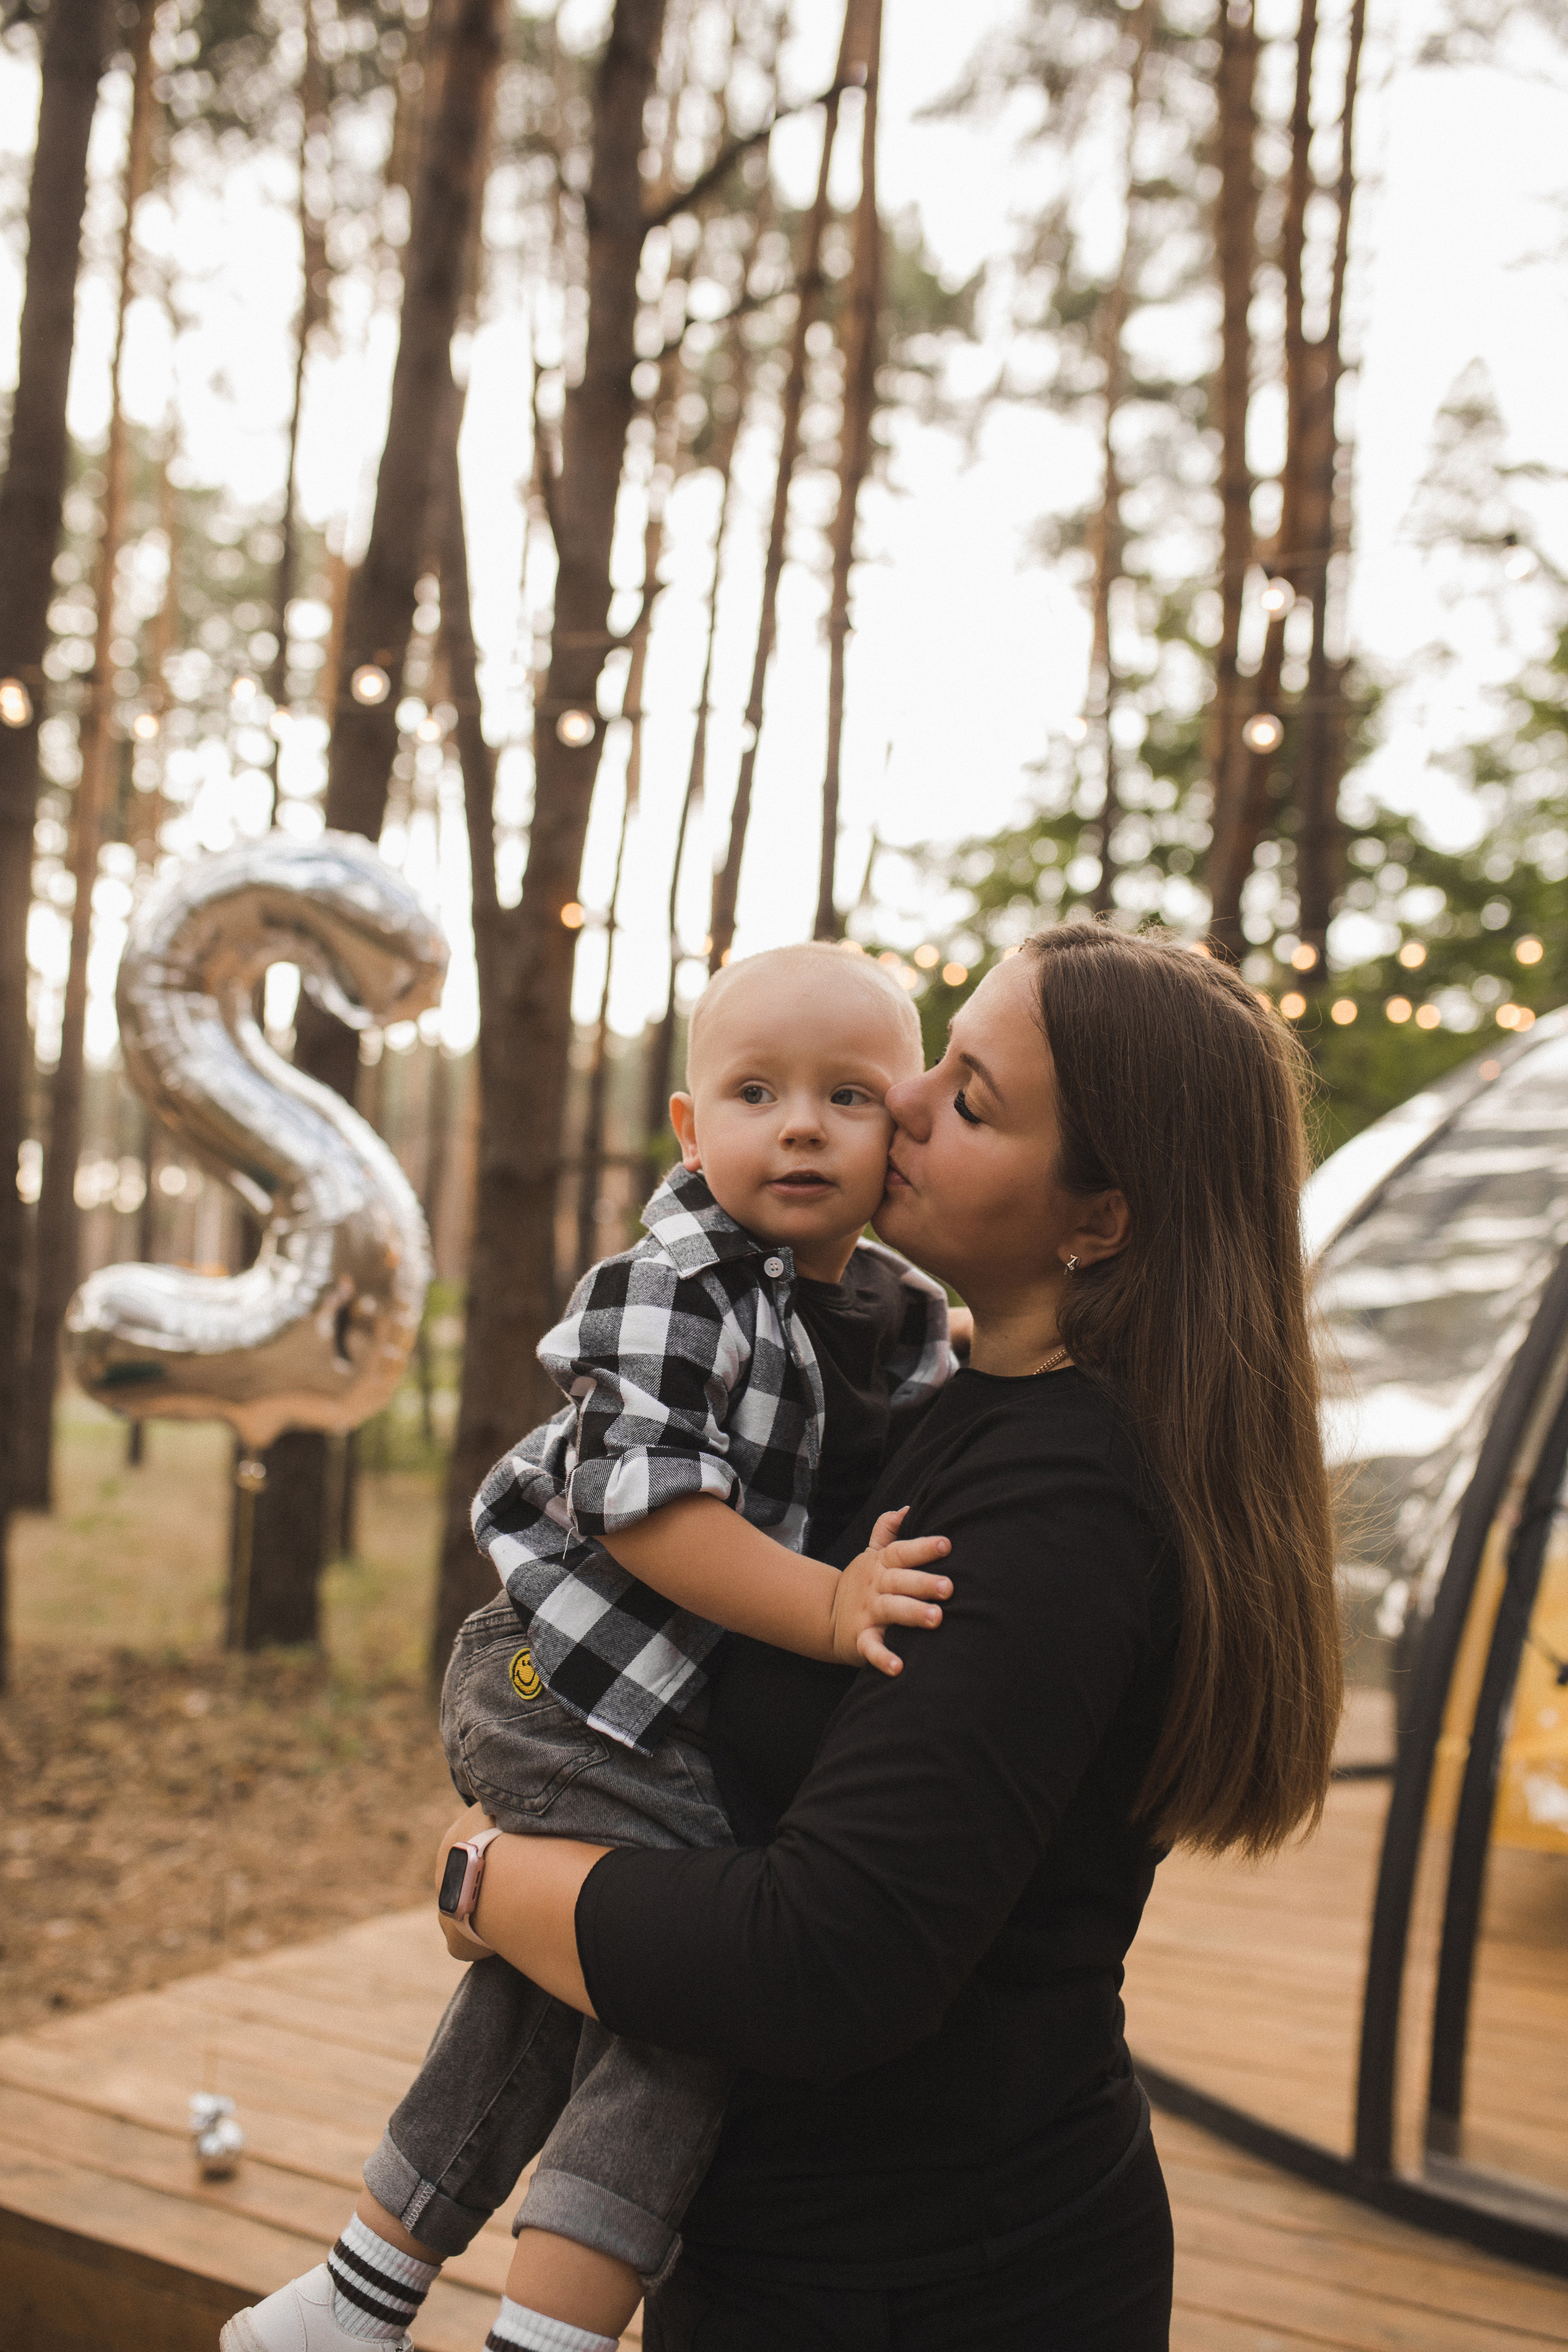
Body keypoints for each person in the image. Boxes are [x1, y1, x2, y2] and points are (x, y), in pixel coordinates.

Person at [418, 923, 1344, 2352]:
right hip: (808, 2245)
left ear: (1096, 1219)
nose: (894, 1107)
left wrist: (489, 1883)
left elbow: (825, 1958)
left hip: (922, 2282)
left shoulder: (1062, 1513)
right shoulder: (944, 1388)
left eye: (966, 1099)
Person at [222, 944, 959, 2352]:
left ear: (901, 1132)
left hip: (650, 1713)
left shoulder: (899, 1314)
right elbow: (645, 1511)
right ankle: (544, 2337)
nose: (799, 1124)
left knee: (544, 1982)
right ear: (693, 1129)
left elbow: (925, 1403)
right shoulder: (667, 1283)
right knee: (680, 1994)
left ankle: (350, 2298)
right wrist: (823, 1605)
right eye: (755, 1091)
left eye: (848, 1096)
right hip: (560, 1683)